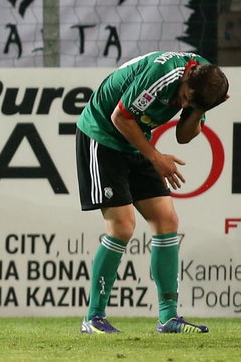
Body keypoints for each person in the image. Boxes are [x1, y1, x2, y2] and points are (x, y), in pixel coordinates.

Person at [74, 51, 228, 335]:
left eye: (189, 103)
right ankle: (93, 318)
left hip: (135, 141)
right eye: (184, 97)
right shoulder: (164, 74)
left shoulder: (203, 85)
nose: (181, 103)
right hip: (102, 135)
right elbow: (120, 117)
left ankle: (168, 318)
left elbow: (183, 135)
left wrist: (198, 109)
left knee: (166, 221)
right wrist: (156, 158)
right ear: (185, 76)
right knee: (122, 226)